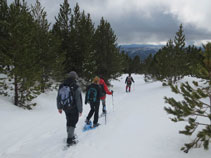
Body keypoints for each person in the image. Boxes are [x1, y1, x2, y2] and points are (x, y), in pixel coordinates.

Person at [57, 71, 83, 146]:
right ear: (75, 77)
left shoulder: (62, 85)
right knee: (73, 122)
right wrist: (80, 110)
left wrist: (59, 107)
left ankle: (70, 135)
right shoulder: (76, 86)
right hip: (73, 108)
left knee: (69, 120)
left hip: (65, 107)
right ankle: (70, 140)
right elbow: (78, 100)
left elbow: (58, 97)